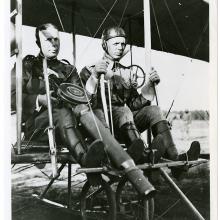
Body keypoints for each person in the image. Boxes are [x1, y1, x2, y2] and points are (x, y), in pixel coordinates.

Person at [12, 23, 156, 197]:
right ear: (38, 42)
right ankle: (89, 164)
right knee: (64, 112)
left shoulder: (68, 69)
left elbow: (85, 99)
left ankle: (124, 164)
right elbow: (9, 97)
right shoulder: (26, 66)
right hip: (39, 127)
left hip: (68, 127)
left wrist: (95, 77)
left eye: (56, 39)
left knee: (84, 108)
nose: (53, 43)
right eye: (47, 40)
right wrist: (39, 99)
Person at [80, 26, 201, 165]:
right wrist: (95, 76)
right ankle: (142, 155)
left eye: (122, 44)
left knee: (154, 110)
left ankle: (175, 158)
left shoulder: (126, 73)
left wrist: (150, 85)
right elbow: (85, 102)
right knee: (123, 110)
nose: (120, 47)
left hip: (125, 124)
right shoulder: (89, 70)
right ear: (104, 44)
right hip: (103, 127)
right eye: (115, 44)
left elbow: (133, 104)